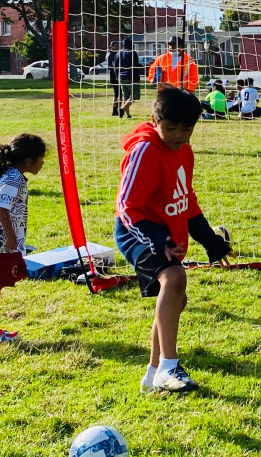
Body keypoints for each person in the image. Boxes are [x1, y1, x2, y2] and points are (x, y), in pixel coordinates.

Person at [114, 87, 231, 393]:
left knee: (176, 298)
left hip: (167, 234)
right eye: (171, 128)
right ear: (155, 120)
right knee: (175, 278)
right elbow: (126, 205)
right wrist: (155, 238)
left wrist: (209, 240)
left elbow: (186, 199)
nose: (179, 135)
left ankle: (153, 375)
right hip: (137, 231)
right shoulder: (144, 151)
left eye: (187, 129)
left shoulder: (184, 151)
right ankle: (169, 366)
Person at [0, 134, 47, 342]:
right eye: (41, 158)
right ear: (28, 160)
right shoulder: (13, 178)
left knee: (17, 273)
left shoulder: (13, 174)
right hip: (1, 242)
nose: (42, 163)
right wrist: (10, 235)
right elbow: (1, 207)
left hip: (6, 241)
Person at [115, 37, 141, 119]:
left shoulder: (118, 53)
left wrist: (117, 77)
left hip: (121, 77)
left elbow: (115, 67)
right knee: (134, 96)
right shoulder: (133, 53)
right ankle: (122, 109)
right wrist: (137, 78)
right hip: (131, 77)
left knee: (125, 96)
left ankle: (128, 115)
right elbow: (135, 66)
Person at [105, 40, 121, 116]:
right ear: (111, 46)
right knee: (118, 94)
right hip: (114, 77)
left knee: (118, 94)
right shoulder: (110, 55)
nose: (117, 48)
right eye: (115, 46)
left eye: (118, 46)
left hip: (117, 77)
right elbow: (111, 66)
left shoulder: (116, 54)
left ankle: (116, 110)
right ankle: (116, 110)